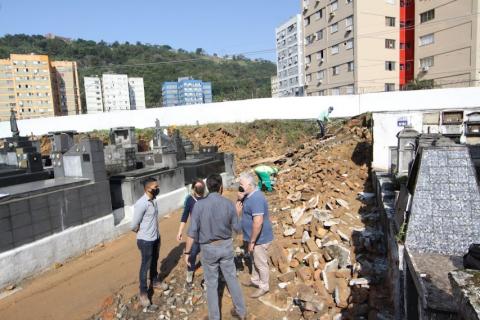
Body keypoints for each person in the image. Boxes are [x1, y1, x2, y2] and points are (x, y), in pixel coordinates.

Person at [185, 174, 246, 320]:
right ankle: (241, 312)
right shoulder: (229, 204)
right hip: (225, 246)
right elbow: (237, 229)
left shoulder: (199, 205)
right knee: (231, 279)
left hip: (208, 249)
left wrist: (187, 252)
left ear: (207, 188)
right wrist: (237, 214)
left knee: (211, 284)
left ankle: (214, 317)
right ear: (221, 188)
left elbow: (192, 232)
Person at [236, 173, 274, 298]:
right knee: (254, 260)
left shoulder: (256, 198)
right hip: (252, 237)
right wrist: (240, 197)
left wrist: (252, 242)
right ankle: (255, 280)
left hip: (259, 238)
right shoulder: (249, 195)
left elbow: (258, 223)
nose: (239, 186)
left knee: (261, 263)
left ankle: (264, 286)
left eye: (242, 184)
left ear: (250, 185)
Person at [131, 177, 162, 307]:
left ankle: (155, 281)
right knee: (145, 266)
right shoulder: (141, 203)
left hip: (155, 237)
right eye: (155, 187)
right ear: (148, 189)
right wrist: (143, 231)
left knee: (154, 261)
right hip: (145, 241)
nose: (157, 189)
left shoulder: (153, 200)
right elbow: (133, 225)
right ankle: (143, 293)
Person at [176, 178, 206, 284]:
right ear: (193, 188)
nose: (199, 189)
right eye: (197, 187)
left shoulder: (207, 199)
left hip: (206, 233)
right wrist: (180, 231)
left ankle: (207, 277)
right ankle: (190, 270)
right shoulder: (190, 200)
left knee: (206, 255)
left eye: (201, 186)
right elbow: (184, 216)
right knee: (192, 254)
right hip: (194, 234)